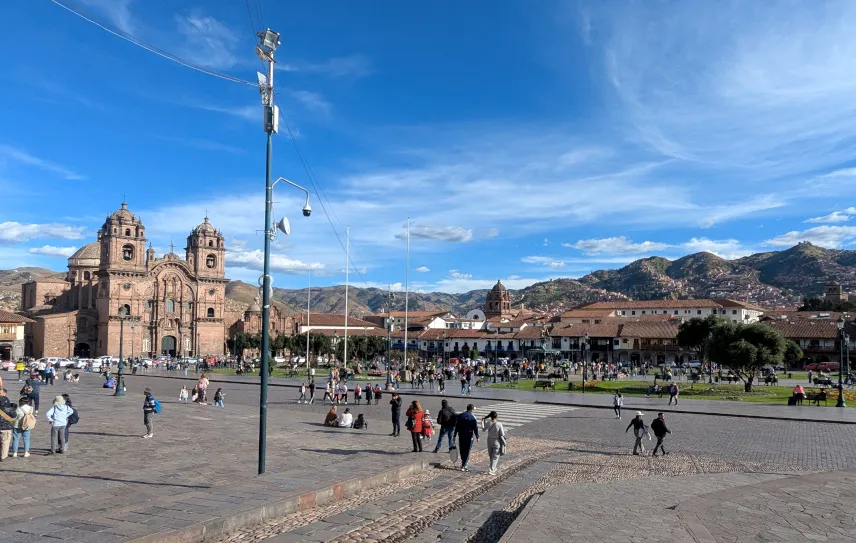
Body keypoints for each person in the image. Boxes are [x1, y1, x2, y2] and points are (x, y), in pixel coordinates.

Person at [453, 404, 480, 471]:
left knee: (462, 449)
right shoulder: (472, 417)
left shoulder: (460, 416)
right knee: (467, 450)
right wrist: (477, 436)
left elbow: (457, 426)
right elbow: (475, 428)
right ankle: (464, 465)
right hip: (469, 436)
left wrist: (454, 435)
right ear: (472, 410)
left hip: (461, 435)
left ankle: (464, 462)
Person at [482, 410, 506, 475]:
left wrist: (482, 421)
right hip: (496, 441)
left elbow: (483, 429)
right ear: (496, 416)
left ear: (490, 417)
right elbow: (502, 434)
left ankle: (493, 468)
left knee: (491, 455)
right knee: (495, 456)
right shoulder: (499, 424)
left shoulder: (488, 423)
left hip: (489, 441)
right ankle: (492, 470)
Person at [0, 388, 15, 461]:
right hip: (6, 426)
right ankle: (2, 456)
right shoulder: (8, 407)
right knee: (5, 442)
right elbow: (14, 415)